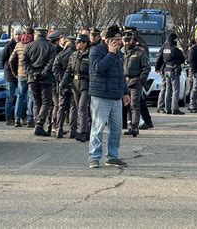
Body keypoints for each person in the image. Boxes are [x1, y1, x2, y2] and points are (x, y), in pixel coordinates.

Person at [88, 25, 130, 168]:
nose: (120, 42)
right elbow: (98, 69)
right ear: (108, 40)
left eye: (120, 39)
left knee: (116, 129)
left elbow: (121, 76)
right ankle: (94, 156)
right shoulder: (96, 51)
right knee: (98, 128)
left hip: (116, 96)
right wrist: (110, 54)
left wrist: (125, 92)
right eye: (116, 40)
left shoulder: (120, 54)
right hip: (101, 96)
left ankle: (112, 156)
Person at [23, 27, 57, 137]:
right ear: (45, 35)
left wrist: (32, 73)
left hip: (33, 78)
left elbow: (24, 62)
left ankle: (38, 123)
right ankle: (39, 124)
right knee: (46, 102)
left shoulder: (28, 46)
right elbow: (51, 62)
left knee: (37, 101)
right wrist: (44, 72)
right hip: (45, 78)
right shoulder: (51, 47)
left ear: (37, 35)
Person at [60, 34, 90, 141]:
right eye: (76, 42)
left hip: (85, 83)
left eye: (79, 42)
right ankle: (84, 129)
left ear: (85, 43)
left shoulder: (90, 54)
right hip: (75, 84)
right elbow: (68, 71)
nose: (76, 44)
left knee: (82, 108)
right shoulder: (74, 55)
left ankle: (82, 132)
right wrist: (62, 83)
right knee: (78, 108)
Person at [122, 32, 151, 137]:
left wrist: (140, 80)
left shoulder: (139, 52)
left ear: (132, 40)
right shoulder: (121, 52)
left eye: (128, 41)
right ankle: (129, 126)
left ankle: (135, 127)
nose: (126, 43)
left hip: (135, 81)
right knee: (127, 105)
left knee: (134, 104)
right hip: (124, 82)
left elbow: (146, 68)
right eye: (124, 41)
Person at [52, 35, 76, 137]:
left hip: (62, 84)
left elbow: (55, 69)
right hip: (74, 84)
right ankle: (72, 130)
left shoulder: (60, 55)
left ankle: (59, 129)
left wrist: (61, 79)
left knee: (61, 107)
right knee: (73, 107)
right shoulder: (76, 55)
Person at [10, 29, 35, 127]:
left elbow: (11, 59)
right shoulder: (33, 45)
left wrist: (14, 71)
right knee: (31, 97)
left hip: (20, 74)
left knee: (20, 96)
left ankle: (17, 119)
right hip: (31, 74)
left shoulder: (19, 45)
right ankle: (29, 119)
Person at [156, 33, 185, 115]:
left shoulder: (164, 48)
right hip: (173, 70)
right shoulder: (175, 49)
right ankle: (174, 109)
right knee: (175, 90)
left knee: (168, 90)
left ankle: (167, 108)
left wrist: (157, 68)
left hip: (166, 71)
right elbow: (183, 59)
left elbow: (160, 58)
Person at [1, 29, 23, 126]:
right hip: (10, 75)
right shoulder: (9, 45)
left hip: (19, 74)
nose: (18, 36)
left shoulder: (22, 45)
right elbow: (3, 58)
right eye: (16, 34)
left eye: (19, 34)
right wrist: (8, 69)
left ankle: (19, 117)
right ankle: (9, 118)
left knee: (21, 96)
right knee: (10, 97)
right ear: (13, 35)